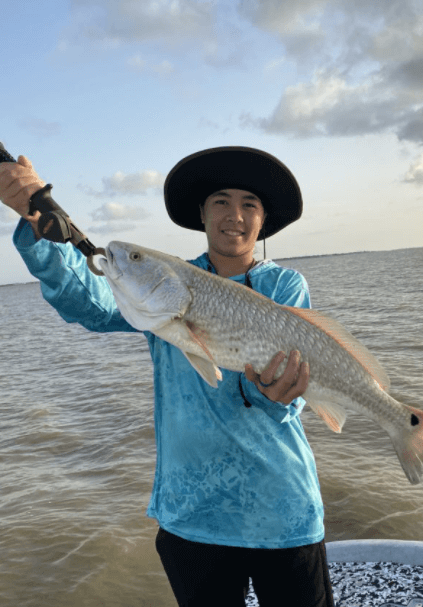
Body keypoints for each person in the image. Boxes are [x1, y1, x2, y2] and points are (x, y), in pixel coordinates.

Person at [0, 146, 335, 607]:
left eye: (249, 204)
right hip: (190, 514)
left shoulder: (285, 286)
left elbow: (295, 391)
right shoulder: (162, 288)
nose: (233, 215)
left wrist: (279, 396)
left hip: (281, 513)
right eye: (220, 200)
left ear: (263, 221)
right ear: (201, 213)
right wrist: (40, 231)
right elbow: (91, 304)